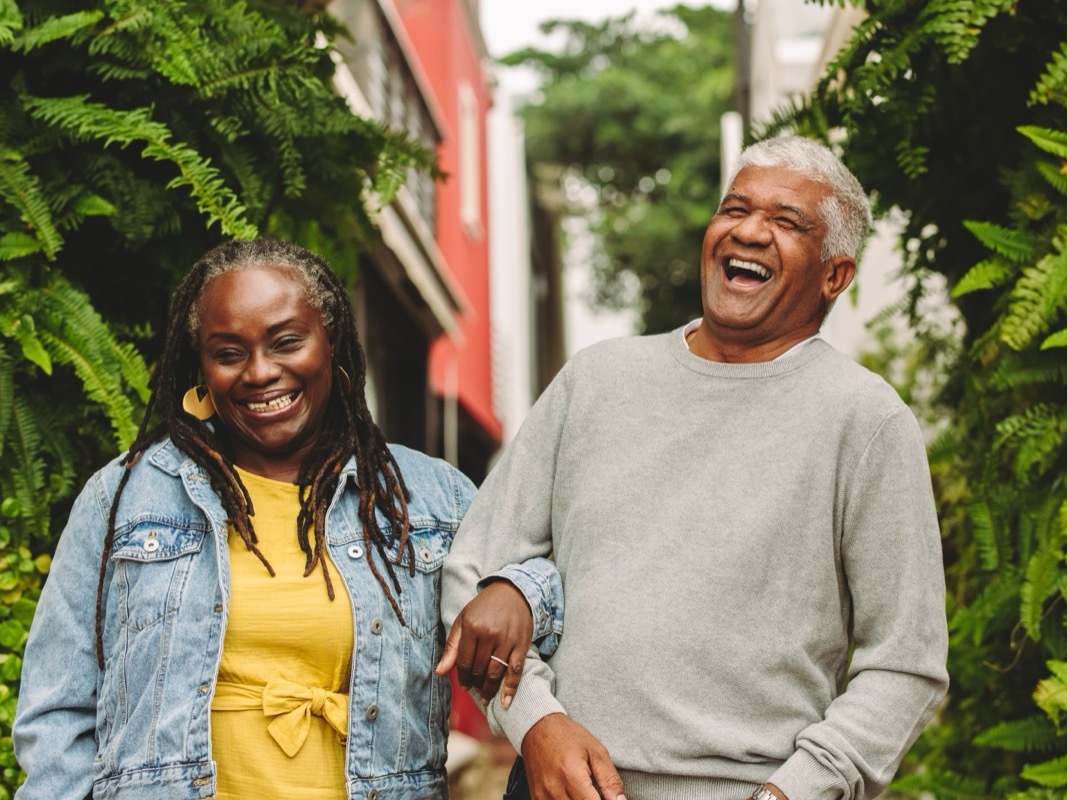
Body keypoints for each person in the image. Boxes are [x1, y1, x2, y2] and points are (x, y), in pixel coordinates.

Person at [442, 135, 950, 800]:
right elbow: (475, 570)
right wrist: (537, 724)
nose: (749, 230)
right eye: (735, 209)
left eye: (786, 221)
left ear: (835, 276)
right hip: (557, 783)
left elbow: (905, 664)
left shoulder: (867, 422)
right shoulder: (596, 382)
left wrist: (795, 792)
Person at [13, 238, 563, 800]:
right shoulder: (127, 496)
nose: (260, 372)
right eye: (228, 353)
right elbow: (56, 712)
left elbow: (552, 590)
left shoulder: (428, 499)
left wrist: (516, 590)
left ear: (332, 345)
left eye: (286, 343)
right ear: (199, 368)